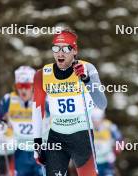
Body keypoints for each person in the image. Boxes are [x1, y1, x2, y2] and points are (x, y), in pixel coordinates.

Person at [32, 29, 107, 176]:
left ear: (74, 51)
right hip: (57, 136)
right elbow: (37, 110)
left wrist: (86, 80)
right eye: (56, 48)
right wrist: (37, 142)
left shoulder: (87, 68)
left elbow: (102, 104)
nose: (60, 54)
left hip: (82, 135)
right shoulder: (42, 75)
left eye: (66, 49)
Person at [0, 66, 47, 176]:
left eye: (26, 86)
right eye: (20, 86)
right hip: (20, 150)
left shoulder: (43, 97)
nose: (23, 90)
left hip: (41, 149)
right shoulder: (9, 99)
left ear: (33, 86)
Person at [92, 108, 122, 176]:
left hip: (107, 160)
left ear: (102, 118)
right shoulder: (89, 128)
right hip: (93, 161)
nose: (96, 122)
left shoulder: (110, 126)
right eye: (94, 120)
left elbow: (120, 140)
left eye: (98, 119)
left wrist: (115, 153)